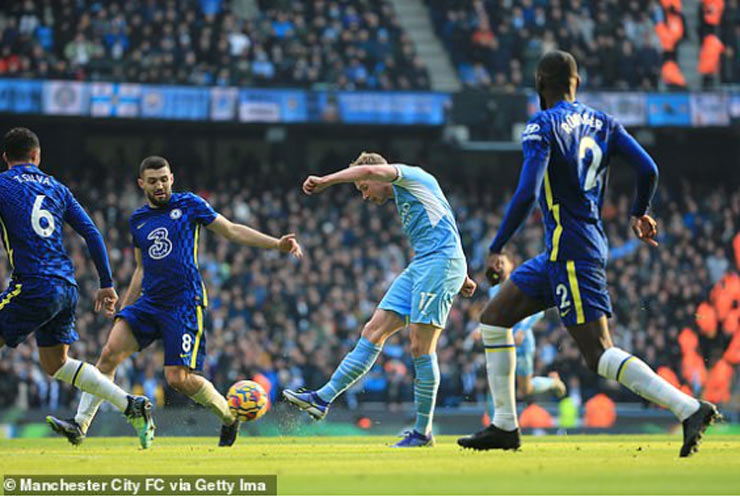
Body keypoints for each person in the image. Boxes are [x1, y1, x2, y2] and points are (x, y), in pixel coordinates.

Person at [457, 51, 720, 457]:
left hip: (573, 251)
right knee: (494, 320)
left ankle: (689, 408)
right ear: (576, 83)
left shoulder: (541, 125)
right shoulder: (605, 123)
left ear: (541, 85)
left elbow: (528, 192)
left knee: (598, 352)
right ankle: (505, 426)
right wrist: (639, 212)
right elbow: (648, 168)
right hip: (563, 251)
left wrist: (497, 246)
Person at [47, 155, 303, 447]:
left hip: (183, 304)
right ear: (141, 184)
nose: (160, 185)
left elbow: (231, 229)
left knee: (178, 379)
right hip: (149, 303)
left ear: (172, 178)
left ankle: (229, 418)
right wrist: (126, 306)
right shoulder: (138, 220)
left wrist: (276, 243)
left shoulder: (189, 205)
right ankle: (80, 425)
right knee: (108, 354)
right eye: (153, 181)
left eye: (164, 179)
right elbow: (141, 268)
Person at [283, 152, 476, 448]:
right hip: (425, 264)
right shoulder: (404, 195)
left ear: (375, 176)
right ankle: (323, 399)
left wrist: (325, 180)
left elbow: (372, 170)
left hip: (439, 263)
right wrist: (462, 276)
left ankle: (423, 432)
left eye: (363, 188)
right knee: (374, 330)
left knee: (420, 346)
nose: (364, 196)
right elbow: (443, 222)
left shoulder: (410, 175)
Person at [0, 127, 154, 448]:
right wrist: (106, 283)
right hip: (66, 287)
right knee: (56, 364)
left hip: (33, 283)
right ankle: (130, 404)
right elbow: (93, 233)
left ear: (5, 158)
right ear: (36, 156)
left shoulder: (3, 184)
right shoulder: (57, 188)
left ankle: (126, 406)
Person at [482, 252, 565, 401]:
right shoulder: (493, 291)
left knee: (525, 388)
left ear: (511, 265)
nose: (498, 266)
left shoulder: (521, 285)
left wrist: (522, 329)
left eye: (502, 262)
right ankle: (497, 422)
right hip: (503, 342)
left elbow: (538, 312)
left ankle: (552, 382)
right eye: (495, 264)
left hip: (522, 343)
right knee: (495, 384)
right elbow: (494, 316)